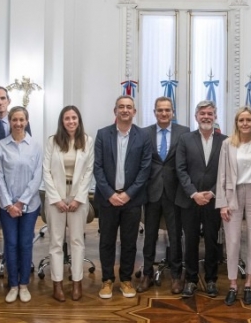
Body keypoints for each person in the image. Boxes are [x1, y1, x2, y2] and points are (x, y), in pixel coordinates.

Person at [93, 95, 152, 299]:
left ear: (134, 112)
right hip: (107, 199)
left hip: (132, 200)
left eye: (129, 107)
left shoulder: (143, 136)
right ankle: (107, 280)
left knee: (129, 242)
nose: (125, 110)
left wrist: (128, 194)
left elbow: (145, 169)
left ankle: (126, 280)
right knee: (107, 241)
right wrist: (110, 194)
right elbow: (97, 168)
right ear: (115, 111)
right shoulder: (102, 134)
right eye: (121, 107)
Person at [42, 106, 95, 302]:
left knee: (76, 241)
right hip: (56, 197)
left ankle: (76, 282)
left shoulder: (87, 141)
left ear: (79, 120)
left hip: (77, 198)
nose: (71, 121)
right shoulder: (52, 141)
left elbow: (89, 171)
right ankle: (57, 284)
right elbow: (46, 170)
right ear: (61, 121)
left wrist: (79, 198)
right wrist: (55, 198)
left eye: (74, 118)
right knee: (56, 242)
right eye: (67, 118)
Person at [0, 86, 31, 294]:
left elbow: (27, 158)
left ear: (8, 100)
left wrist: (16, 200)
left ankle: (21, 272)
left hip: (13, 190)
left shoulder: (21, 124)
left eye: (3, 98)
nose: (0, 102)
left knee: (18, 238)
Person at [215, 106, 251, 306]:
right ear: (236, 123)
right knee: (233, 240)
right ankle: (233, 284)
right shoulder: (228, 144)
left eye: (248, 120)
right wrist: (222, 204)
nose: (245, 123)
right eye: (241, 120)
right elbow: (221, 174)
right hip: (232, 194)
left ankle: (249, 284)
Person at [176, 100, 228, 298]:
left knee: (212, 241)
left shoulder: (225, 141)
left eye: (210, 113)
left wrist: (212, 193)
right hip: (190, 200)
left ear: (215, 117)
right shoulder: (185, 139)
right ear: (196, 117)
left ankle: (212, 279)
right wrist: (194, 193)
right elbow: (180, 169)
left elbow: (226, 172)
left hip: (214, 200)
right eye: (202, 113)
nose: (206, 116)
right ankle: (190, 279)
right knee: (190, 241)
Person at [138, 97, 189, 295]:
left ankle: (177, 275)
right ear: (155, 112)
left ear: (173, 112)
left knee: (175, 236)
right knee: (149, 235)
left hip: (174, 192)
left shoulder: (183, 133)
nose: (164, 113)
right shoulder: (145, 133)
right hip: (151, 192)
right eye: (160, 110)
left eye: (167, 110)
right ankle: (147, 273)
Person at [0, 106, 43, 303]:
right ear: (10, 121)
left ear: (27, 121)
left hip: (29, 205)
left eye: (22, 120)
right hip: (7, 207)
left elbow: (37, 176)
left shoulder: (36, 145)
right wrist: (9, 204)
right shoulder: (1, 146)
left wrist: (21, 202)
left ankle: (24, 284)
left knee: (25, 243)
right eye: (14, 119)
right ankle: (13, 285)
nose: (18, 123)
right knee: (11, 244)